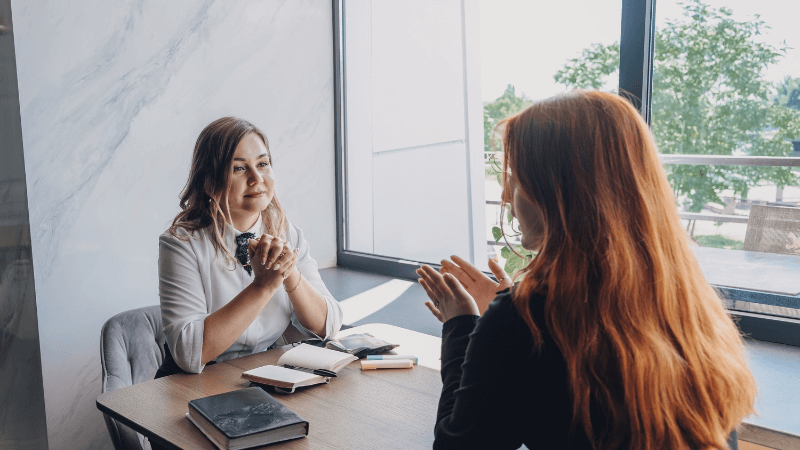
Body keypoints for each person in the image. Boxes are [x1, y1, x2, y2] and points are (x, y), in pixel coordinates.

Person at [417, 91, 755, 450]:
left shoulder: (526, 319)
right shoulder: (687, 303)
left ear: (556, 193)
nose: (505, 195)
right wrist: (501, 314)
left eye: (516, 177)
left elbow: (458, 445)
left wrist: (463, 327)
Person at [155, 117, 342, 377]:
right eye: (239, 169)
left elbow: (328, 326)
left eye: (263, 164)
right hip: (191, 384)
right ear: (209, 182)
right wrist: (263, 286)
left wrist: (289, 272)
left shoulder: (288, 233)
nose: (257, 179)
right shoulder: (180, 244)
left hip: (261, 376)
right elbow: (189, 353)